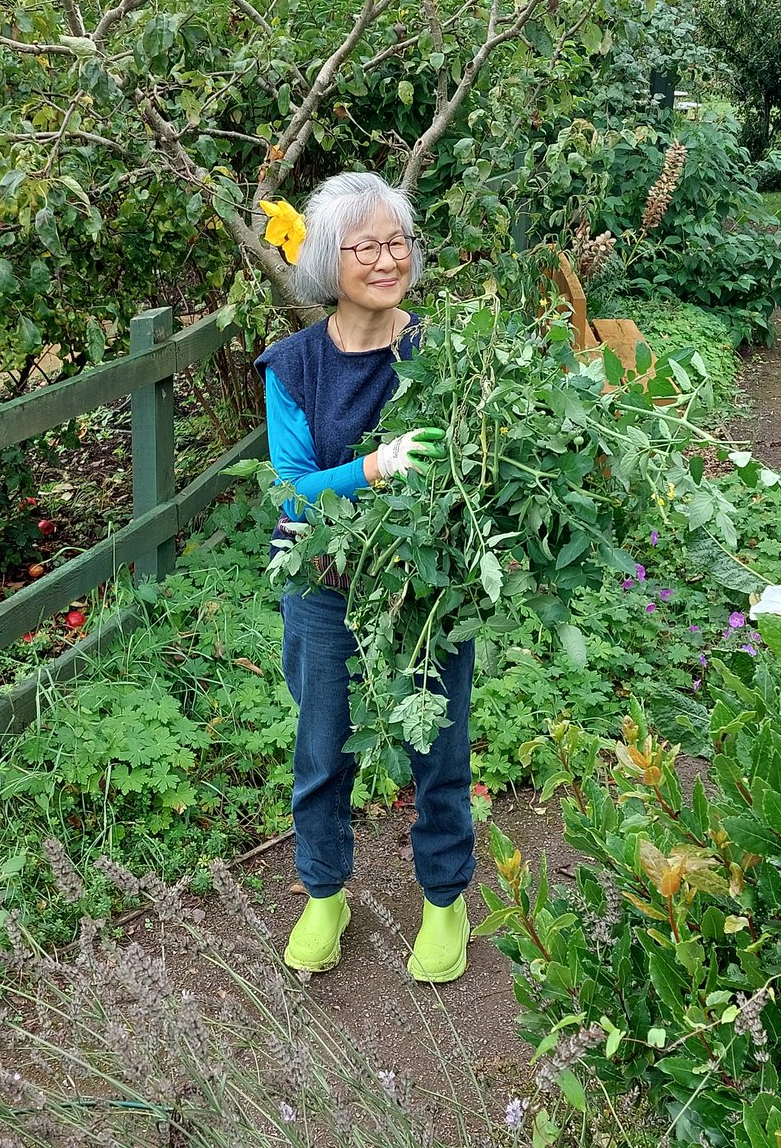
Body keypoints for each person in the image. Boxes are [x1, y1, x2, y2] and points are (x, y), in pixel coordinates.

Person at [254, 172, 475, 983]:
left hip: (427, 587)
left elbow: (476, 471)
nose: (389, 260)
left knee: (439, 744)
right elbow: (291, 490)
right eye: (368, 246)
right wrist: (374, 469)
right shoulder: (294, 366)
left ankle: (445, 899)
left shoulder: (446, 353)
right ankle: (323, 892)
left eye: (399, 244)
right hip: (323, 580)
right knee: (321, 746)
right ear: (326, 260)